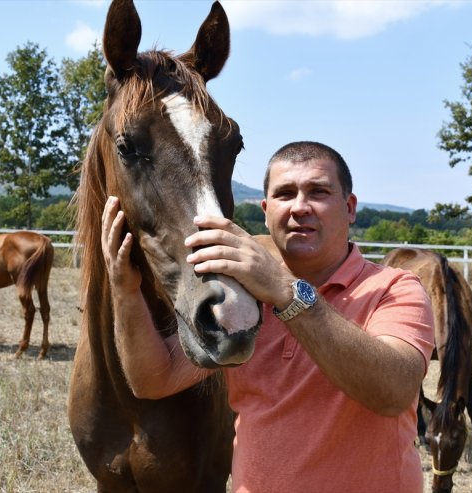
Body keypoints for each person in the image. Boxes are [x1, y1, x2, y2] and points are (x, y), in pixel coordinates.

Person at [102, 141, 435, 493]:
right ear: (265, 210)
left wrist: (284, 291)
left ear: (350, 208)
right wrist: (125, 292)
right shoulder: (245, 298)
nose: (300, 207)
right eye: (285, 194)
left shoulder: (394, 288)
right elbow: (154, 380)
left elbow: (393, 393)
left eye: (319, 192)